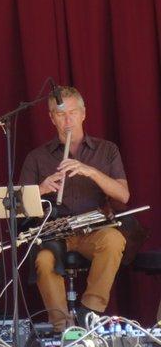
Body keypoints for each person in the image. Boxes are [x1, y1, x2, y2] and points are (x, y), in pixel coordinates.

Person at [19, 86, 129, 332]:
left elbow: (123, 194)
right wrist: (41, 189)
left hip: (94, 228)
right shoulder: (36, 158)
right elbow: (17, 208)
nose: (67, 120)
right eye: (60, 114)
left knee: (114, 240)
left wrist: (91, 171)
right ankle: (63, 327)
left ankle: (89, 311)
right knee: (44, 260)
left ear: (83, 114)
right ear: (51, 118)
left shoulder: (107, 150)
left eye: (72, 113)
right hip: (55, 233)